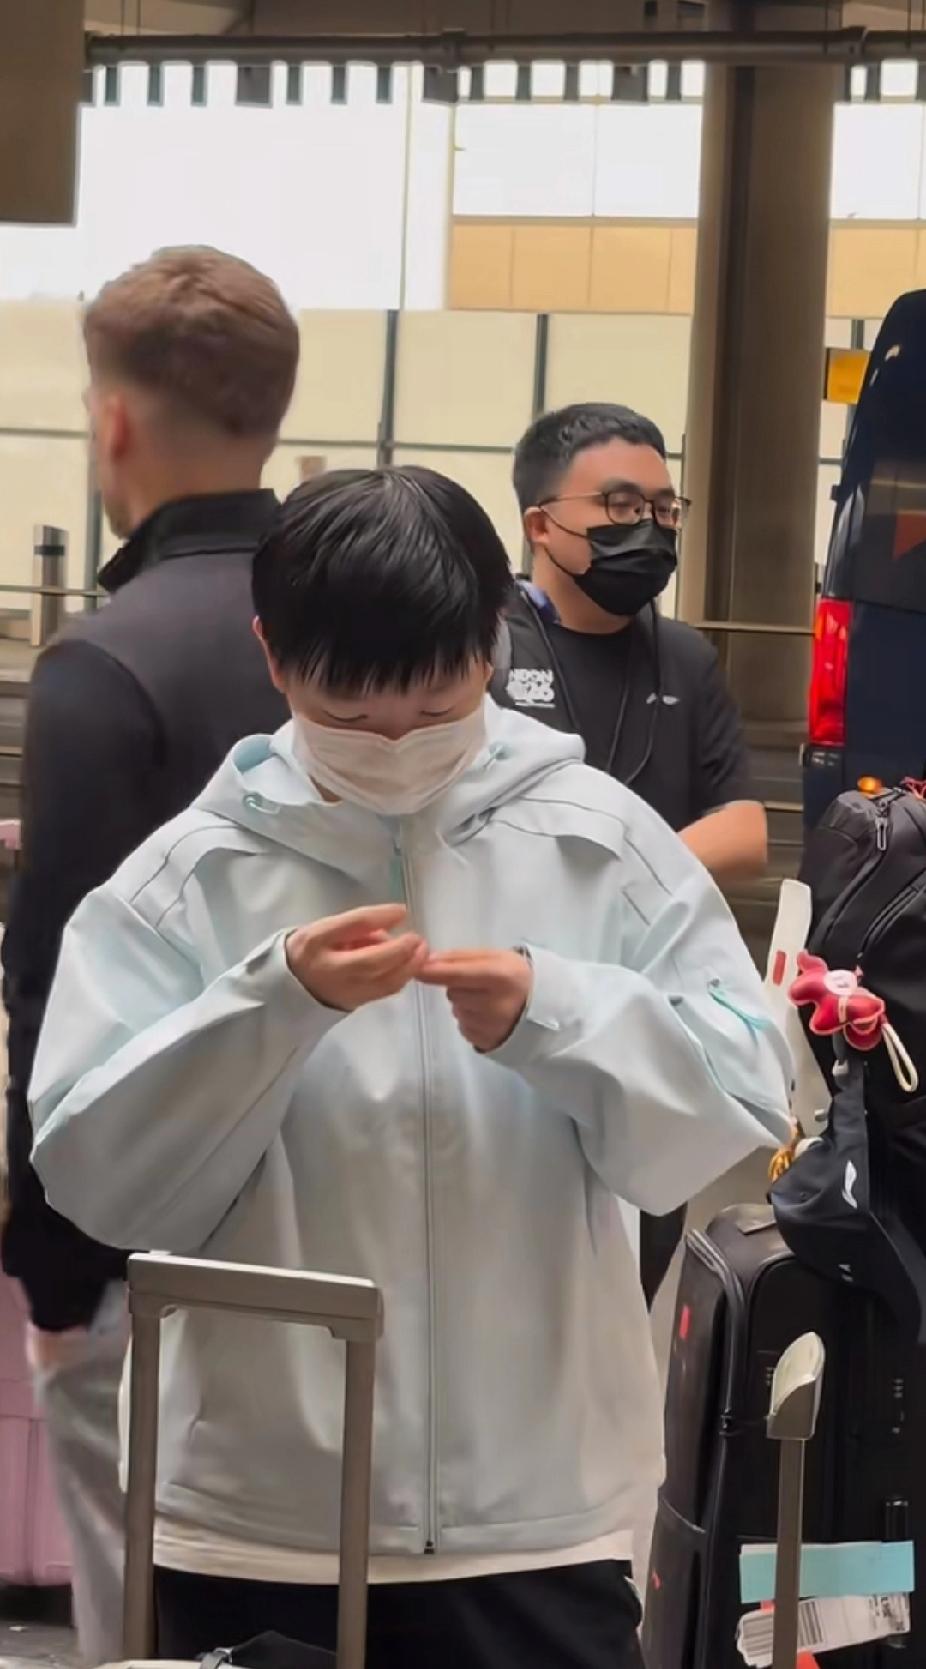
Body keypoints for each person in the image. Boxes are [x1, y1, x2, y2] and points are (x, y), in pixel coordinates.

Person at [30, 466, 791, 1669]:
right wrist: (267, 1005)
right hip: (253, 1523)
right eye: (348, 709)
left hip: (537, 1519)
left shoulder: (601, 844)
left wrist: (559, 1013)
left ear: (490, 645)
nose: (392, 745)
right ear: (272, 655)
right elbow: (94, 1172)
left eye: (432, 705)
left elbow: (738, 1100)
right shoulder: (190, 878)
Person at [2, 246, 298, 1664]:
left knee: (148, 1628)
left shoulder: (107, 663)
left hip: (147, 1254)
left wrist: (55, 1272)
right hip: (351, 1238)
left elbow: (56, 989)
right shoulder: (378, 639)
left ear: (112, 420)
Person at [495, 401, 768, 1305]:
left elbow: (746, 830)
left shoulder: (683, 658)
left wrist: (616, 867)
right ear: (542, 523)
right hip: (507, 1018)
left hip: (648, 1025)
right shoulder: (482, 645)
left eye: (662, 508)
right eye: (618, 506)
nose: (647, 528)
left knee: (628, 1278)